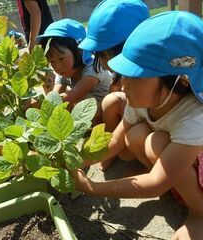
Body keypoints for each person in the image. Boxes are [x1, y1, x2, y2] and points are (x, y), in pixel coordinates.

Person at [72, 11, 203, 240]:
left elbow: (154, 184)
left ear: (179, 79)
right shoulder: (142, 100)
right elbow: (116, 140)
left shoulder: (194, 117)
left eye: (137, 77)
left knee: (157, 143)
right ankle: (175, 182)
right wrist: (77, 161)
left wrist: (91, 187)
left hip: (197, 163)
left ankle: (198, 212)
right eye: (124, 74)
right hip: (180, 161)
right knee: (142, 137)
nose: (124, 85)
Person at [78, 0, 149, 170]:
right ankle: (110, 152)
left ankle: (158, 172)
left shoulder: (156, 80)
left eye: (102, 55)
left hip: (164, 130)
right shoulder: (124, 78)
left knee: (135, 138)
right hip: (139, 116)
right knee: (110, 102)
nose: (100, 62)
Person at [36, 19, 111, 122]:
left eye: (61, 58)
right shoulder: (64, 71)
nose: (57, 67)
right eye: (52, 62)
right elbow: (55, 95)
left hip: (104, 115)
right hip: (87, 114)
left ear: (79, 50)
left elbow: (71, 98)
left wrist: (40, 107)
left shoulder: (93, 69)